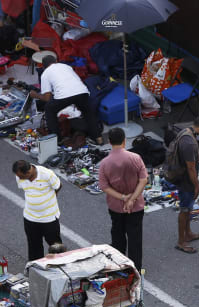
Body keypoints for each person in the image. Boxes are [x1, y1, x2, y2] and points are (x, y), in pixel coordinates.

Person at [97, 127, 148, 270]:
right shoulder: (135, 158)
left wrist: (123, 197)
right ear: (124, 141)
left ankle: (119, 267)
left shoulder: (105, 163)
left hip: (115, 206)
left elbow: (104, 186)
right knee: (135, 239)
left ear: (109, 141)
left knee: (118, 237)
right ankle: (135, 270)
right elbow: (143, 180)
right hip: (136, 206)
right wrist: (132, 199)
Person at [29, 54, 102, 145]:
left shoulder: (46, 73)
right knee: (88, 113)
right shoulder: (67, 67)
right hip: (82, 91)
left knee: (49, 109)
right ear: (56, 61)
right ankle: (98, 138)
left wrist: (35, 95)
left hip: (65, 96)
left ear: (44, 66)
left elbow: (47, 98)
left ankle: (57, 140)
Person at [172, 116, 199, 254]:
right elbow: (190, 167)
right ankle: (181, 241)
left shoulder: (185, 132)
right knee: (184, 210)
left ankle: (188, 233)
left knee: (187, 208)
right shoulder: (189, 143)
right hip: (186, 181)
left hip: (184, 178)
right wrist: (196, 185)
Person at [12, 160, 63, 261]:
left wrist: (52, 197)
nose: (19, 178)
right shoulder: (20, 176)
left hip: (49, 218)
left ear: (28, 172)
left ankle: (60, 265)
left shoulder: (47, 174)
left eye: (21, 176)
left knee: (56, 246)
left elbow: (58, 186)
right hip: (30, 218)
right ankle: (36, 269)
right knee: (34, 246)